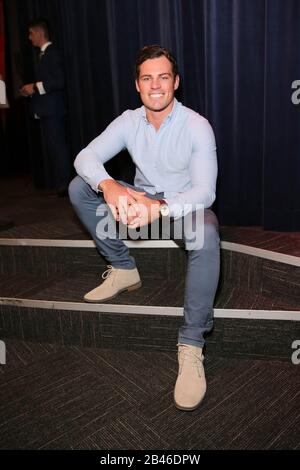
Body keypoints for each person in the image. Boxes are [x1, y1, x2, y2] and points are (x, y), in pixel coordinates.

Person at [69, 45, 220, 411]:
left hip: (178, 206)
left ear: (176, 82)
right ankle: (123, 269)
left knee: (208, 233)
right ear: (137, 85)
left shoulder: (196, 125)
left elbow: (205, 191)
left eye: (163, 77)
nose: (155, 86)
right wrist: (110, 185)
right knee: (80, 186)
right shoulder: (128, 121)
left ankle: (191, 344)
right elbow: (84, 157)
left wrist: (161, 207)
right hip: (139, 206)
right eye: (147, 78)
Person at [20, 19, 70, 196]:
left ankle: (64, 184)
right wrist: (32, 89)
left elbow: (59, 81)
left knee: (57, 147)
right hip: (47, 110)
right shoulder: (43, 54)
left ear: (40, 33)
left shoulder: (53, 53)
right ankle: (60, 183)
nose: (29, 37)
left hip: (53, 110)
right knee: (53, 147)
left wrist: (34, 87)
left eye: (31, 33)